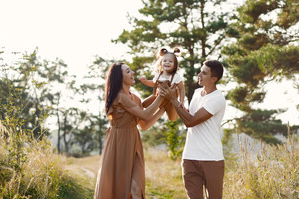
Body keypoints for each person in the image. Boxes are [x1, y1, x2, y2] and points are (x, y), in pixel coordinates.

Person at [94, 62, 166, 199]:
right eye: (128, 71)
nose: (132, 72)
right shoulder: (119, 97)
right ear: (119, 78)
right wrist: (161, 97)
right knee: (120, 187)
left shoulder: (135, 98)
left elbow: (144, 125)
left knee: (137, 188)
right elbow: (144, 114)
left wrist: (161, 110)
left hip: (134, 143)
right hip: (118, 143)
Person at [160, 60, 226, 199]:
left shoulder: (217, 99)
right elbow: (188, 115)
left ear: (214, 79)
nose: (199, 74)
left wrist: (174, 100)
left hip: (211, 158)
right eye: (200, 71)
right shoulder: (196, 93)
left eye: (204, 73)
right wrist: (174, 98)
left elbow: (191, 121)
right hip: (189, 157)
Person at [139, 48, 185, 121]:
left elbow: (181, 88)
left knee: (172, 118)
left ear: (175, 65)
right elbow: (153, 84)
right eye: (165, 61)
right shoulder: (159, 74)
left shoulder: (175, 76)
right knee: (143, 104)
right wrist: (145, 81)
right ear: (161, 62)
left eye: (170, 61)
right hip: (158, 97)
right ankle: (161, 107)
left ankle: (167, 109)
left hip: (170, 101)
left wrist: (181, 101)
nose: (167, 63)